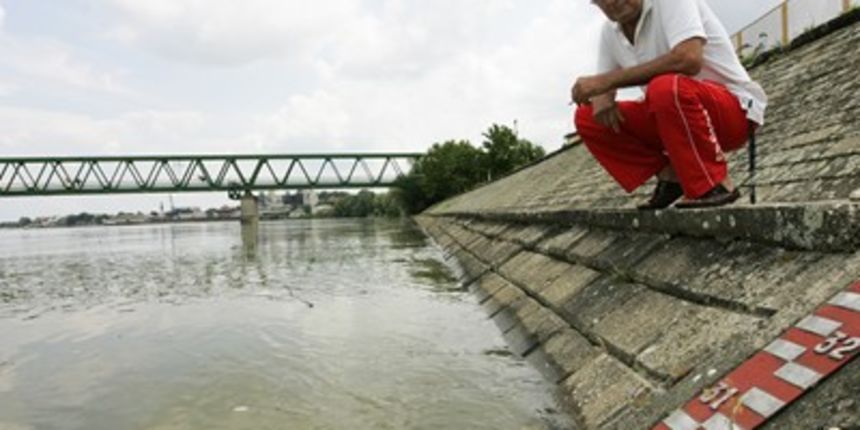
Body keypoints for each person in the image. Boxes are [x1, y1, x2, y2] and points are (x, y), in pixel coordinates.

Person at [572, 0, 767, 209]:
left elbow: (688, 59)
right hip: (673, 121)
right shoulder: (609, 32)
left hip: (733, 111)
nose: (611, 2)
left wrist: (606, 81)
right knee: (587, 116)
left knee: (665, 86)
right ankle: (671, 177)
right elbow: (603, 85)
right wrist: (601, 95)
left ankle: (714, 183)